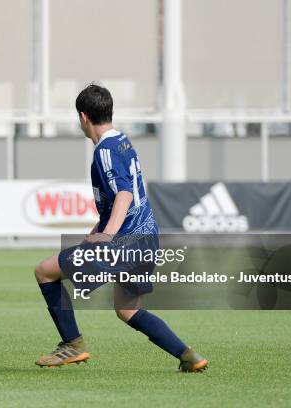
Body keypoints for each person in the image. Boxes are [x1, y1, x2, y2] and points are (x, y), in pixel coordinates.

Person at [33, 84, 208, 371]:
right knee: (127, 309)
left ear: (83, 117)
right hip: (147, 237)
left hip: (124, 242)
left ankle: (72, 344)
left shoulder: (104, 151)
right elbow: (123, 195)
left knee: (44, 272)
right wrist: (98, 228)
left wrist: (107, 236)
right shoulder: (123, 141)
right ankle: (188, 356)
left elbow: (125, 194)